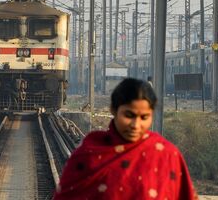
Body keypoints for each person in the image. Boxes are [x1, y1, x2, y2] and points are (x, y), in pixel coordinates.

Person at [54, 78, 197, 200]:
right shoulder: (89, 154)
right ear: (113, 110)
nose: (136, 125)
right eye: (129, 115)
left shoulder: (167, 155)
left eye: (144, 117)